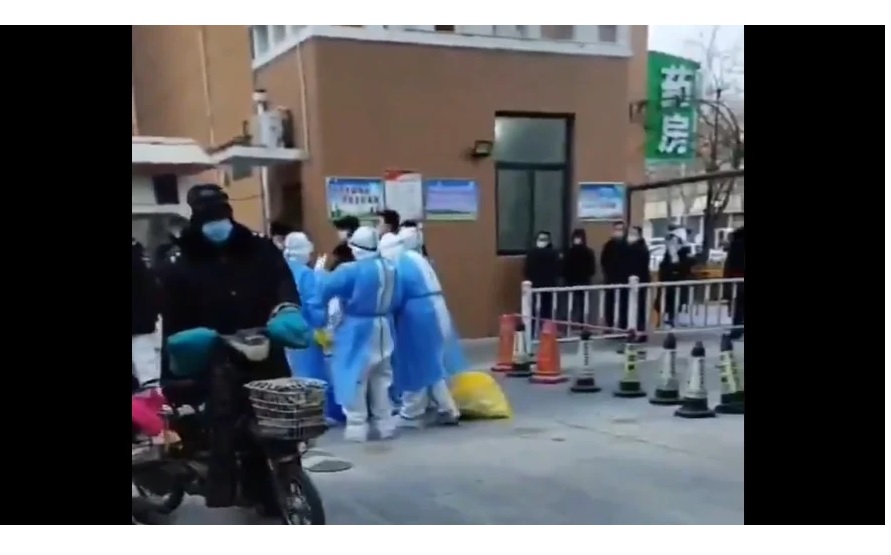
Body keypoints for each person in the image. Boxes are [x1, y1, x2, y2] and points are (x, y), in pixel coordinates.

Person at [158, 183, 305, 512]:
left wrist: (287, 310)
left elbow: (283, 283)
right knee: (229, 422)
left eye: (221, 215)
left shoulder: (259, 248)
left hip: (264, 345)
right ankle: (240, 487)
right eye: (209, 218)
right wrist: (182, 353)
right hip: (215, 353)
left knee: (279, 416)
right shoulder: (179, 260)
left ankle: (282, 484)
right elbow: (173, 317)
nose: (217, 224)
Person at [307, 226, 402, 442]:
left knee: (354, 377)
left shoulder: (350, 270)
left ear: (355, 248)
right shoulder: (390, 268)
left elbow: (324, 289)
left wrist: (319, 274)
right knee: (382, 378)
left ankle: (357, 425)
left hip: (357, 329)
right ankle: (384, 424)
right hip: (384, 326)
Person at [381, 232, 461, 427]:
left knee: (415, 361)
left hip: (418, 314)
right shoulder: (415, 257)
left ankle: (412, 411)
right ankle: (447, 408)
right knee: (431, 362)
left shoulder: (397, 264)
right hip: (436, 308)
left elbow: (394, 296)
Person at [282, 232, 345, 425]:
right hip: (305, 330)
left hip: (284, 330)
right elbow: (314, 305)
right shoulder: (306, 275)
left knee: (292, 373)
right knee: (311, 373)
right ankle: (315, 415)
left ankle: (296, 414)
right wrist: (322, 323)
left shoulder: (281, 270)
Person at [132, 238, 161, 394]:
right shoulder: (139, 254)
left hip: (140, 323)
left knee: (146, 372)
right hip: (143, 321)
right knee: (147, 372)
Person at [524, 230, 561, 333]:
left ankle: (533, 331)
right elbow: (558, 269)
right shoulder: (554, 253)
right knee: (546, 311)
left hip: (536, 285)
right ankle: (545, 331)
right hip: (548, 285)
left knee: (535, 309)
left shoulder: (532, 253)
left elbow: (527, 270)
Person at [657, 229, 694, 327]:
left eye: (674, 239)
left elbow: (685, 267)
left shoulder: (684, 252)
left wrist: (675, 261)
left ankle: (672, 320)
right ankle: (668, 319)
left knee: (675, 303)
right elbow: (664, 266)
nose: (671, 242)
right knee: (666, 303)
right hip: (667, 282)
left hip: (677, 284)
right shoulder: (668, 252)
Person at [562, 228, 596, 329]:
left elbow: (592, 269)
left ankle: (580, 325)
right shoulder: (569, 252)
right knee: (572, 305)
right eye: (576, 237)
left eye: (579, 237)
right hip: (573, 282)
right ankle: (572, 325)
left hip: (580, 282)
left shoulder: (587, 252)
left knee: (580, 305)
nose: (577, 239)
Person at [600, 221, 628, 333]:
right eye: (616, 229)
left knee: (624, 304)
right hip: (611, 278)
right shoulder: (609, 245)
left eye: (621, 229)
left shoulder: (627, 245)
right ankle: (609, 326)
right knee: (609, 304)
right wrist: (608, 273)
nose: (618, 232)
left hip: (624, 279)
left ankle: (623, 326)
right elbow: (604, 261)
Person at [625, 226, 651, 341]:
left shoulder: (640, 248)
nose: (630, 236)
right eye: (630, 233)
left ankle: (639, 332)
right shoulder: (633, 247)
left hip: (639, 282)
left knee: (639, 308)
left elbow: (638, 266)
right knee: (634, 308)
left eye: (633, 233)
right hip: (635, 282)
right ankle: (635, 332)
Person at [723, 226, 745, 339]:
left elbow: (730, 265)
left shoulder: (736, 246)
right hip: (738, 279)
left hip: (738, 281)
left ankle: (737, 330)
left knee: (738, 307)